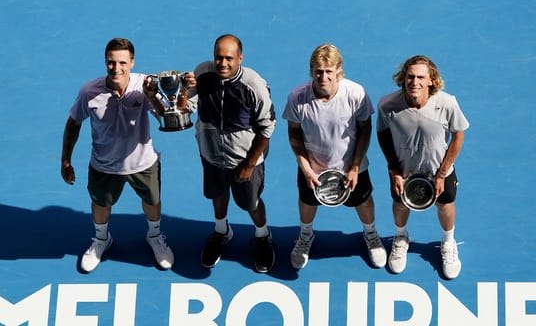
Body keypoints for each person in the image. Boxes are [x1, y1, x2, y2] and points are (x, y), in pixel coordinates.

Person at [61, 37, 174, 273]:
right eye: (111, 62)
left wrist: (152, 96)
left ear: (132, 62)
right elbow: (73, 124)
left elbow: (166, 115)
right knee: (100, 204)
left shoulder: (146, 84)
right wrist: (66, 160)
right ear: (105, 62)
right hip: (104, 164)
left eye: (122, 62)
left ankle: (154, 236)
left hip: (143, 162)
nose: (116, 68)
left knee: (152, 201)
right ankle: (102, 240)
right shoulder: (89, 92)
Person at [282, 44, 387, 270]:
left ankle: (371, 235)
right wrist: (305, 167)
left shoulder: (356, 94)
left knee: (364, 200)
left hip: (351, 166)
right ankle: (305, 236)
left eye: (329, 71)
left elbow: (364, 129)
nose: (323, 77)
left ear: (339, 70)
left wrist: (355, 166)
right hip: (313, 167)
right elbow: (293, 133)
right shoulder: (297, 97)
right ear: (311, 71)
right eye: (318, 71)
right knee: (307, 201)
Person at [185, 34, 276, 273]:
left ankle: (263, 235)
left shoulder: (254, 85)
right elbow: (187, 107)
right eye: (218, 57)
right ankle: (221, 230)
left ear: (240, 59)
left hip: (244, 159)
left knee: (251, 202)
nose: (222, 63)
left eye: (228, 58)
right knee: (217, 193)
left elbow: (267, 128)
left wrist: (249, 164)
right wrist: (183, 89)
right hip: (211, 153)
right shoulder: (202, 73)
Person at [376, 55, 469, 279]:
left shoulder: (447, 103)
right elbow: (383, 134)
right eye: (410, 76)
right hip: (403, 169)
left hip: (439, 169)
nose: (414, 82)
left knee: (445, 204)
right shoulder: (387, 105)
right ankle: (400, 238)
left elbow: (458, 136)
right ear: (403, 78)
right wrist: (394, 168)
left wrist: (442, 173)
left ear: (431, 81)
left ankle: (447, 242)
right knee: (399, 204)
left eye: (420, 77)